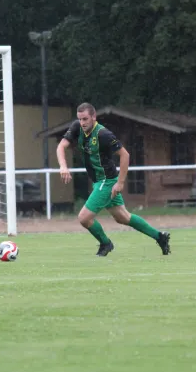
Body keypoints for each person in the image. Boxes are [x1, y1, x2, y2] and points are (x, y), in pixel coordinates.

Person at [56, 102, 171, 257]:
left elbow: (125, 155)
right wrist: (63, 166)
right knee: (123, 217)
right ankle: (160, 237)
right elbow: (61, 146)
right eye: (80, 119)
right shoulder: (77, 127)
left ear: (94, 117)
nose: (82, 123)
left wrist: (120, 182)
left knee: (84, 218)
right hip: (99, 181)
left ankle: (105, 243)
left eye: (85, 119)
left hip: (106, 181)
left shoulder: (104, 135)